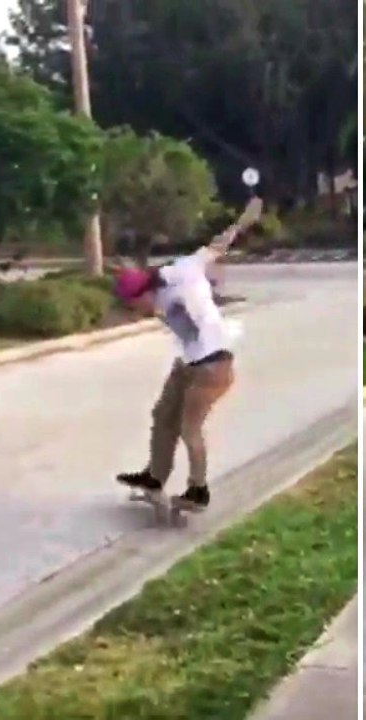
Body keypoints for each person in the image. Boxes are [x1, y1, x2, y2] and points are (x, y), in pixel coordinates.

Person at [113, 198, 262, 511]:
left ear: (145, 292)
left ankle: (199, 490)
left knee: (188, 427)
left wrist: (244, 222)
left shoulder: (183, 271)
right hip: (189, 363)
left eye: (135, 305)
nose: (138, 312)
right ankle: (155, 476)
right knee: (161, 416)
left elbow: (216, 246)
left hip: (214, 365)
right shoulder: (155, 299)